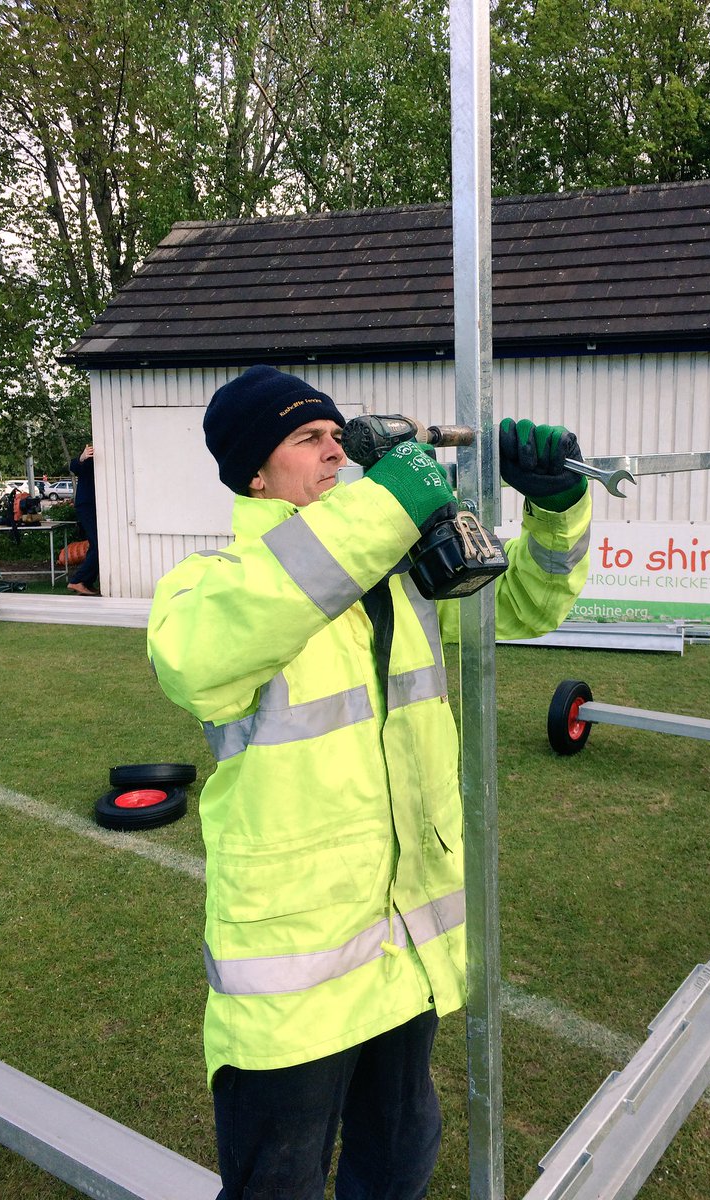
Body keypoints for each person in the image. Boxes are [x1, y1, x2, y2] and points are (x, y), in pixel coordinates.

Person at [147, 365, 593, 1200]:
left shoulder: (393, 576)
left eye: (335, 436)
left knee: (397, 1162)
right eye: (307, 440)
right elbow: (204, 655)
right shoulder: (210, 583)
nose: (336, 454)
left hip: (401, 945)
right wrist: (387, 506)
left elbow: (528, 606)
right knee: (275, 1182)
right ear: (253, 472)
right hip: (295, 973)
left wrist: (557, 506)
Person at [68, 444, 100, 596]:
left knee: (97, 544)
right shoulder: (90, 456)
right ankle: (77, 580)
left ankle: (86, 582)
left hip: (97, 505)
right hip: (87, 505)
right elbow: (74, 466)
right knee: (97, 544)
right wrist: (82, 457)